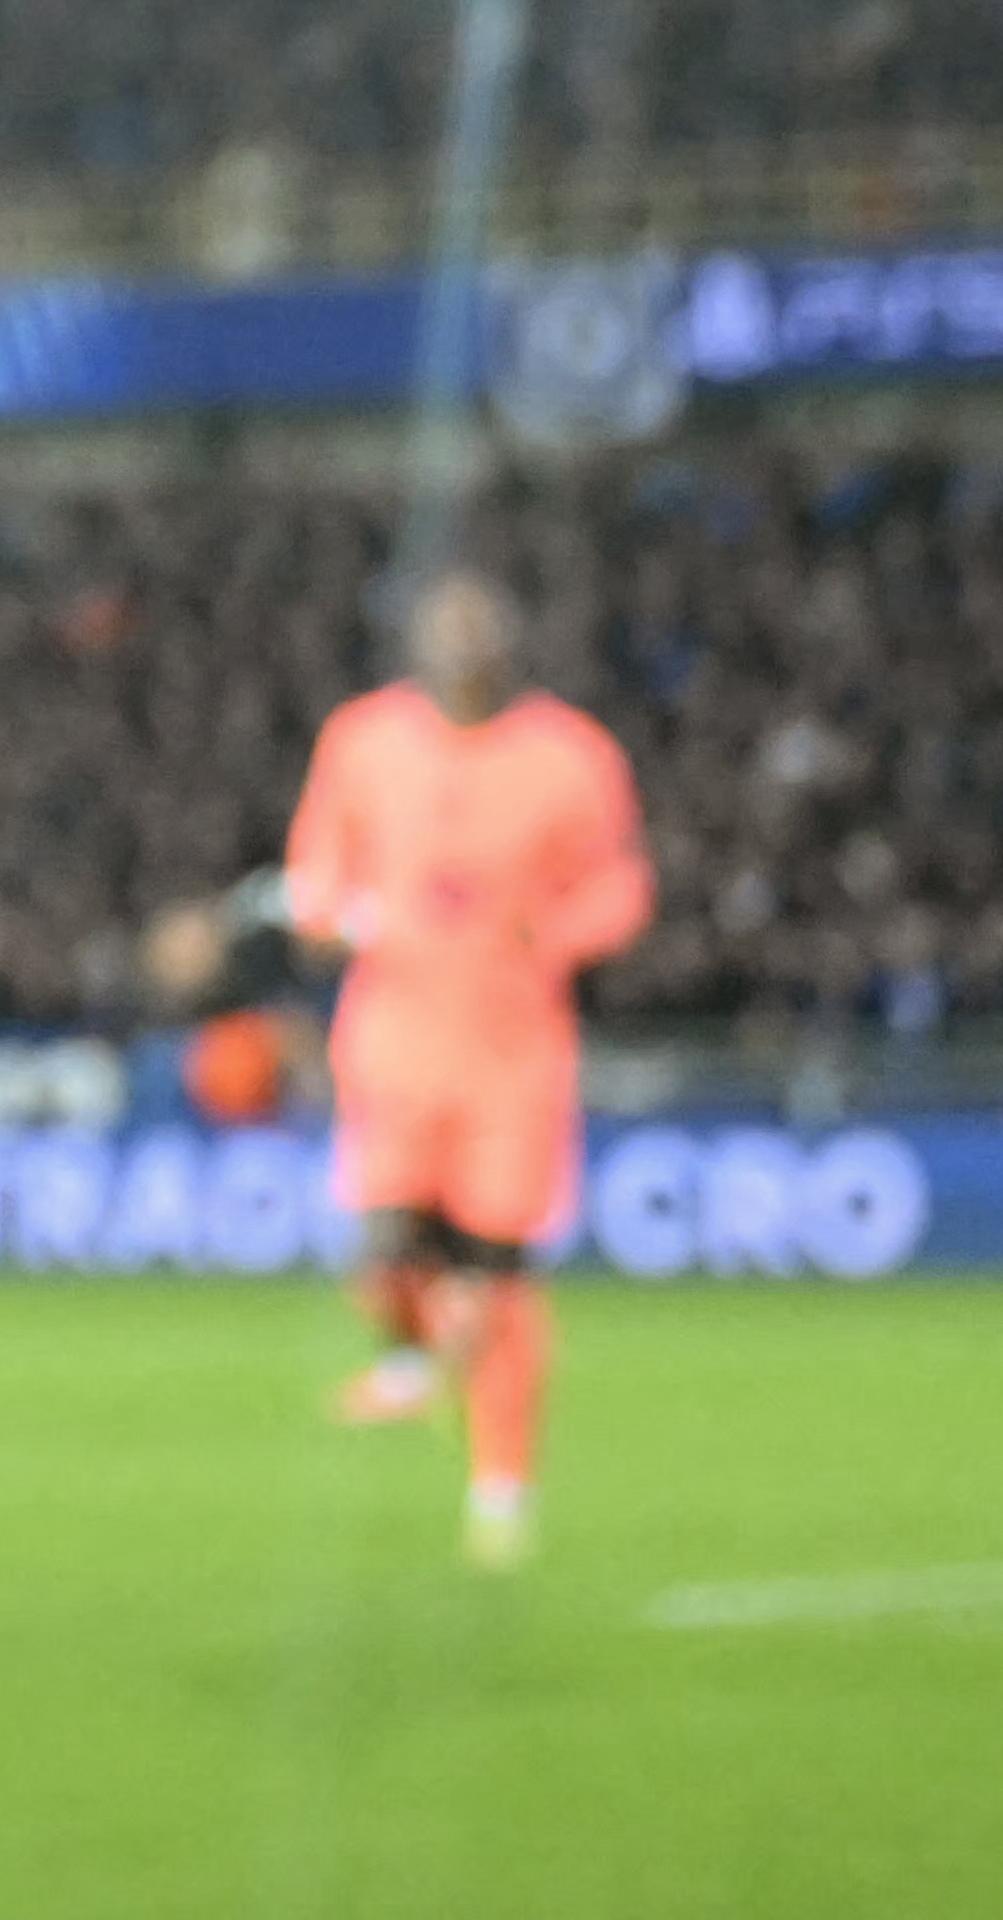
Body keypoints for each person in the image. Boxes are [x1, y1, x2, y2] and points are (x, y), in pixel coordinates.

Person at [280, 564, 649, 1569]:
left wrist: (554, 927)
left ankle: (501, 1486)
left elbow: (619, 887)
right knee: (383, 1255)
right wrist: (323, 913)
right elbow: (318, 868)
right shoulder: (361, 741)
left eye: (481, 624)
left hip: (511, 1057)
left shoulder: (574, 756)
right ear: (418, 642)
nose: (463, 641)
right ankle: (413, 1355)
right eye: (447, 625)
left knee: (499, 1279)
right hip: (392, 1044)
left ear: (511, 641)